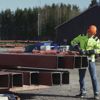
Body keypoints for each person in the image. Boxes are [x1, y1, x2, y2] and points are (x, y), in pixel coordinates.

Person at [71, 25, 100, 100]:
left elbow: (99, 49)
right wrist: (78, 48)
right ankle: (82, 92)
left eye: (93, 34)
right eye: (90, 33)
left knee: (94, 77)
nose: (91, 35)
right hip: (82, 59)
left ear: (95, 33)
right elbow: (73, 42)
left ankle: (96, 94)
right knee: (81, 77)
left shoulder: (96, 40)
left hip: (91, 60)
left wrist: (91, 51)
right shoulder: (82, 36)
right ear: (88, 31)